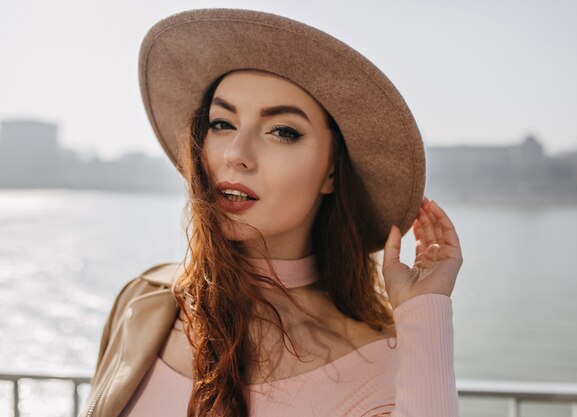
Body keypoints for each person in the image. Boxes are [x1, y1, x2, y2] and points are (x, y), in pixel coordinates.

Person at [80, 8, 463, 417]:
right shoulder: (144, 300)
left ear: (331, 171)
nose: (236, 154)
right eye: (222, 124)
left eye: (283, 132)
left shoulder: (374, 364)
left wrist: (424, 312)